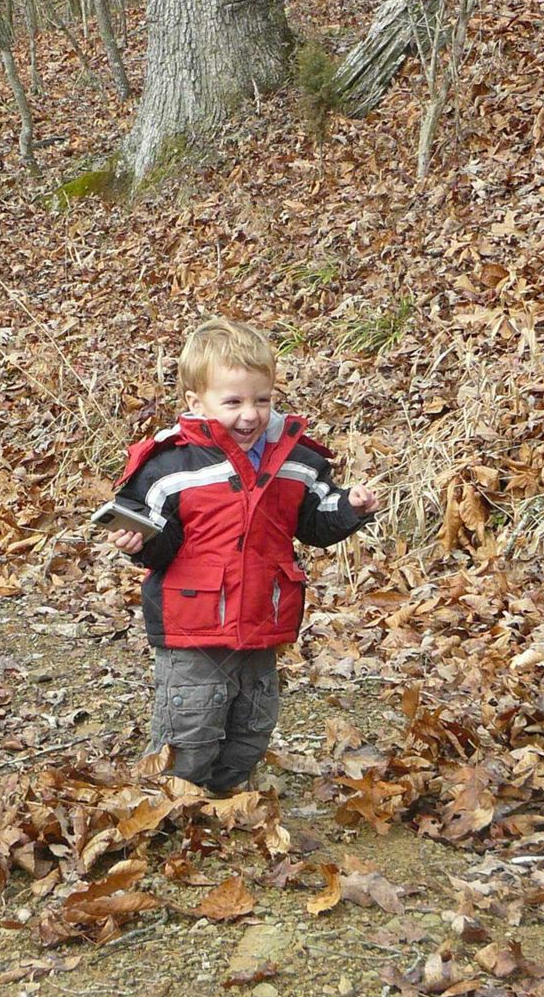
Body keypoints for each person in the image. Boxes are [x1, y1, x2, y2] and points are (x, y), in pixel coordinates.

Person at [108, 317, 378, 795]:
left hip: (263, 616)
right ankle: (174, 803)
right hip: (192, 621)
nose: (249, 415)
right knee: (190, 723)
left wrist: (350, 508)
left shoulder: (295, 459)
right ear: (197, 403)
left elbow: (314, 520)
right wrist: (140, 543)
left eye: (262, 399)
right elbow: (156, 536)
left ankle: (227, 797)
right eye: (232, 402)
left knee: (253, 722)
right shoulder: (169, 465)